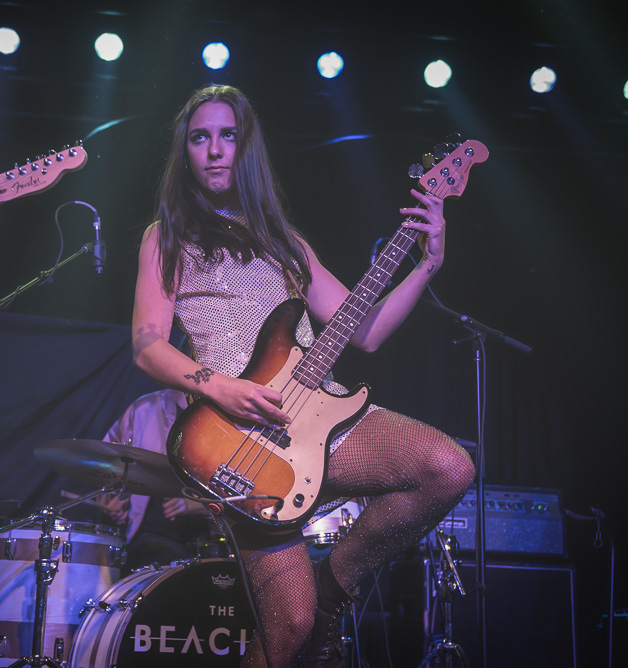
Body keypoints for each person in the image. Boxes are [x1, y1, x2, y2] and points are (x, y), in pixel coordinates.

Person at [130, 84, 475, 667]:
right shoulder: (166, 236)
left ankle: (334, 587)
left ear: (247, 147)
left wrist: (429, 263)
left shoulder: (287, 242)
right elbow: (147, 346)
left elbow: (366, 331)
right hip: (241, 441)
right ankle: (313, 607)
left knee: (449, 467)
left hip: (324, 418)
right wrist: (221, 387)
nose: (214, 149)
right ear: (184, 152)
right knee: (289, 629)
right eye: (199, 137)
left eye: (227, 135)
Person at [97, 389, 222, 572]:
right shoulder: (144, 409)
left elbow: (246, 498)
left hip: (209, 541)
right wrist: (115, 499)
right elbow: (103, 464)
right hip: (145, 537)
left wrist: (199, 505)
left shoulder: (228, 416)